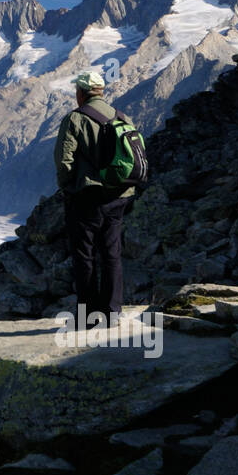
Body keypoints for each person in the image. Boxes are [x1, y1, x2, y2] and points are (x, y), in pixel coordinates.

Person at [54, 71, 136, 326]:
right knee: (111, 252)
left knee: (85, 254)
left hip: (87, 197)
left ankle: (88, 316)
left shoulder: (75, 119)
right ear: (101, 91)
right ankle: (112, 313)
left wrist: (69, 187)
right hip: (119, 196)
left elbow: (63, 160)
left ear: (81, 93)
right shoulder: (122, 117)